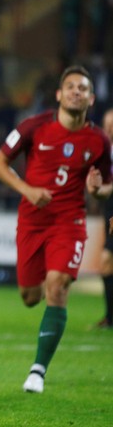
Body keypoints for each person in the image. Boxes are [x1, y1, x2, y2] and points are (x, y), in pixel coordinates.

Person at [0, 65, 111, 394]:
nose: (76, 92)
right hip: (32, 220)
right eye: (70, 86)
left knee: (57, 286)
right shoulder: (33, 126)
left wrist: (97, 188)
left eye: (82, 88)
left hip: (69, 222)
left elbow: (106, 188)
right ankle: (44, 289)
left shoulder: (99, 141)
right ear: (58, 94)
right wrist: (27, 190)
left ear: (91, 98)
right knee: (30, 296)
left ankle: (37, 371)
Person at [95, 108, 113, 329]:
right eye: (107, 125)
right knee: (107, 264)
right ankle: (110, 318)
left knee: (107, 261)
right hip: (108, 214)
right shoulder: (102, 153)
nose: (109, 130)